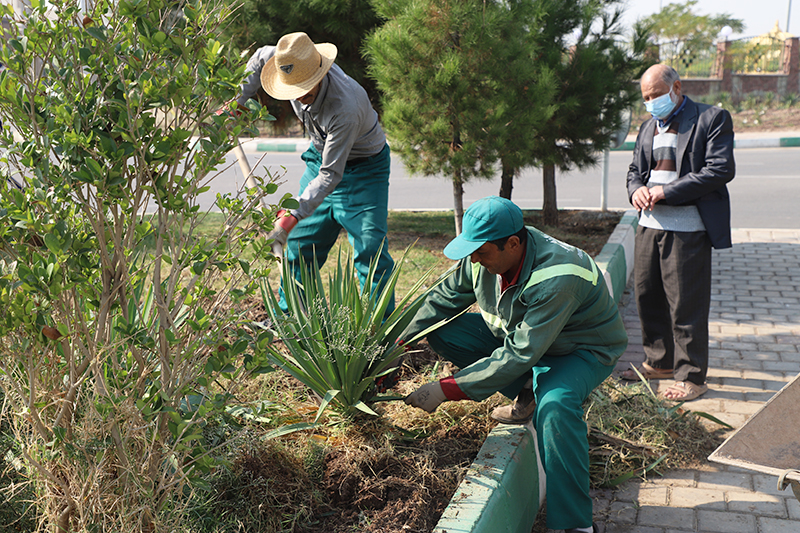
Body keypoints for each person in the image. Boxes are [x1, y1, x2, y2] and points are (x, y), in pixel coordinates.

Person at [401, 196, 627, 533]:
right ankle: (526, 388)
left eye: (481, 252)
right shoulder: (482, 256)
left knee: (556, 407)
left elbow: (522, 353)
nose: (474, 259)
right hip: (525, 340)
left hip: (579, 351)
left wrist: (447, 389)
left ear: (513, 244)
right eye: (471, 251)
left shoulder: (558, 275)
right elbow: (441, 299)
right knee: (443, 332)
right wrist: (395, 345)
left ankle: (575, 524)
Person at [621, 64, 735, 402]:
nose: (652, 102)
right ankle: (659, 362)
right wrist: (637, 190)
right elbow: (634, 171)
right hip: (649, 225)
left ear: (677, 88)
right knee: (647, 298)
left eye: (656, 95)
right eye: (646, 98)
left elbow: (719, 169)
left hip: (688, 230)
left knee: (686, 305)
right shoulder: (647, 127)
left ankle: (692, 376)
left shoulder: (710, 119)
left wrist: (667, 192)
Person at [260, 32, 394, 313]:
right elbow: (257, 57)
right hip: (319, 160)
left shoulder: (345, 106)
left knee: (371, 251)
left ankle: (380, 335)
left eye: (305, 90)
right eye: (292, 90)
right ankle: (293, 321)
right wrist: (237, 101)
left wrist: (294, 212)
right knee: (298, 246)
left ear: (319, 73)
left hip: (364, 171)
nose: (298, 97)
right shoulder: (288, 60)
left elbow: (331, 175)